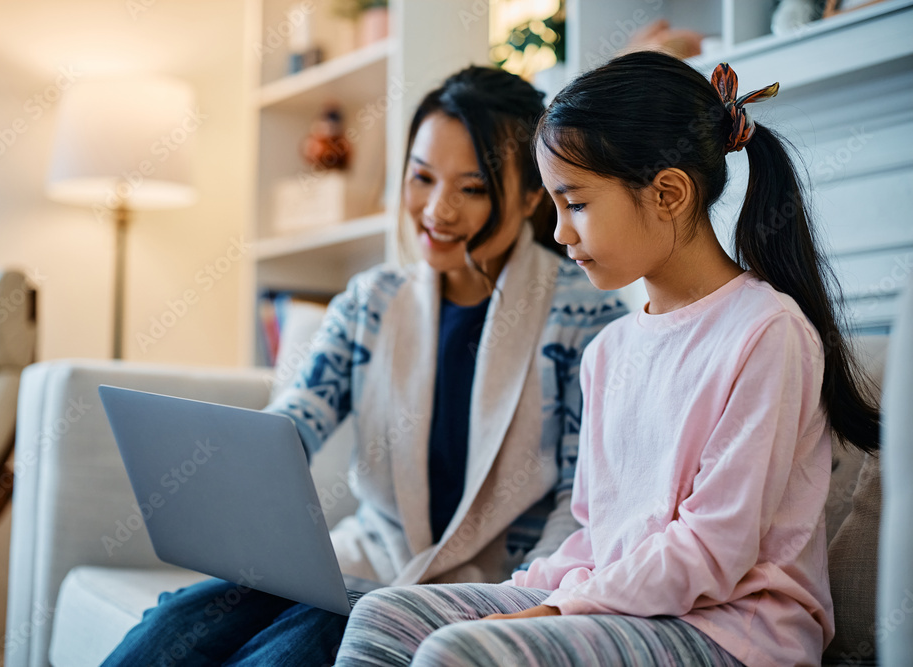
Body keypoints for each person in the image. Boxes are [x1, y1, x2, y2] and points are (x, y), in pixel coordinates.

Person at [333, 51, 881, 667]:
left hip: (734, 632)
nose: (561, 232)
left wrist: (555, 611)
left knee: (464, 653)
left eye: (577, 204)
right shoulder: (609, 351)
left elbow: (714, 550)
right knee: (386, 612)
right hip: (630, 606)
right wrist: (514, 598)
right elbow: (593, 540)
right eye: (555, 206)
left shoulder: (767, 333)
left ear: (669, 193)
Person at [101, 66, 625, 667]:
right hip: (362, 564)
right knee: (170, 629)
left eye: (472, 188)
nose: (437, 209)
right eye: (421, 178)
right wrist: (232, 480)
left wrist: (532, 605)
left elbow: (580, 500)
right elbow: (294, 423)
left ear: (532, 193)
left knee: (292, 651)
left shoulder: (586, 313)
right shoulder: (372, 301)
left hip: (491, 588)